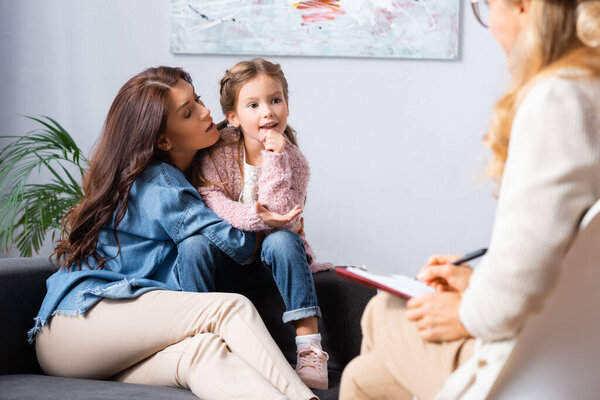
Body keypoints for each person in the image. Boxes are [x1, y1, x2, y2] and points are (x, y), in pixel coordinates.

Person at [340, 0, 600, 399]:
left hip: (534, 371)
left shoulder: (559, 98)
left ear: (523, 7)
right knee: (361, 378)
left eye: (488, 7)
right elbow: (566, 265)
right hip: (577, 352)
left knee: (383, 310)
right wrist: (477, 284)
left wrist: (466, 311)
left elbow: (510, 296)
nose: (490, 24)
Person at [28, 66, 318, 400]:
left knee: (204, 354)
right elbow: (236, 245)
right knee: (227, 309)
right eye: (189, 112)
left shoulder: (195, 176)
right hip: (80, 321)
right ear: (164, 139)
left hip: (88, 346)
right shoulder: (161, 182)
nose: (206, 110)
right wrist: (275, 229)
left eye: (197, 99)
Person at [195, 58, 331, 390]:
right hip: (229, 256)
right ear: (233, 117)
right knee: (195, 245)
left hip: (271, 262)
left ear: (286, 105)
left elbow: (283, 214)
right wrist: (258, 218)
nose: (267, 112)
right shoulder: (218, 150)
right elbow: (211, 200)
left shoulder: (293, 159)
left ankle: (309, 347)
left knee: (283, 241)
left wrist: (275, 157)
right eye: (253, 105)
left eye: (275, 100)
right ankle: (198, 340)